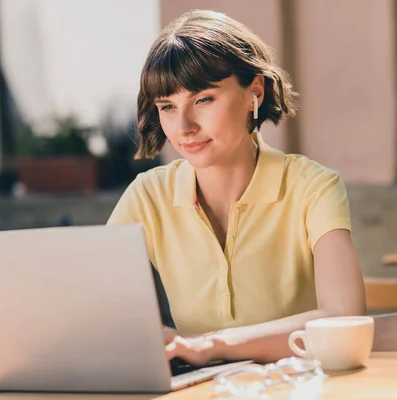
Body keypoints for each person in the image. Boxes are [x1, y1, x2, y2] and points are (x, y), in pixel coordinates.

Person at [107, 9, 366, 366]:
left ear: (254, 93)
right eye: (167, 106)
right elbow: (97, 314)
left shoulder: (314, 188)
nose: (184, 126)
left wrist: (212, 345)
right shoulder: (147, 196)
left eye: (203, 100)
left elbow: (343, 318)